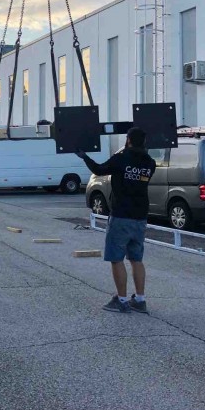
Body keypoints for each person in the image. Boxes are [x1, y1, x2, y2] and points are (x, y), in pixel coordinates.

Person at [76, 127, 156, 314]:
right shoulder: (150, 163)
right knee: (136, 258)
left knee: (116, 258)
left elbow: (99, 169)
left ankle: (121, 300)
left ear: (128, 140)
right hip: (140, 216)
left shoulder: (121, 159)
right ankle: (140, 299)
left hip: (121, 215)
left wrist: (84, 156)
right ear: (144, 142)